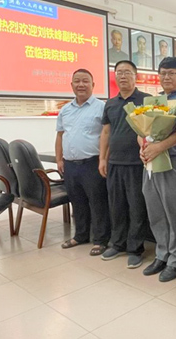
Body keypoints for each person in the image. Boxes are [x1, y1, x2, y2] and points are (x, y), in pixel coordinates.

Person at [140, 57, 176, 282]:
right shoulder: (154, 100)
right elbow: (141, 129)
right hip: (151, 163)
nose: (166, 77)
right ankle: (162, 254)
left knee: (174, 213)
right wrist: (143, 147)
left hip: (173, 163)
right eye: (162, 73)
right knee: (156, 212)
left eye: (171, 73)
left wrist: (159, 147)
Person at [99, 60, 151, 268]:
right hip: (114, 162)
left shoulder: (146, 100)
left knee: (136, 207)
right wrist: (102, 158)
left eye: (127, 72)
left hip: (136, 163)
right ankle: (117, 243)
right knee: (116, 206)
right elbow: (106, 132)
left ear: (135, 76)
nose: (122, 76)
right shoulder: (110, 103)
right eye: (119, 72)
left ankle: (135, 248)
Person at [55, 69, 111, 256]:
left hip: (93, 163)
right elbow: (60, 135)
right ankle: (80, 235)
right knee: (77, 201)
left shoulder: (101, 107)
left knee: (98, 202)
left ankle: (101, 240)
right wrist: (59, 159)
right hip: (70, 164)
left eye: (85, 81)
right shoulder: (65, 110)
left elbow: (107, 135)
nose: (81, 85)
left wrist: (104, 159)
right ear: (71, 85)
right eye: (77, 81)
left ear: (93, 85)